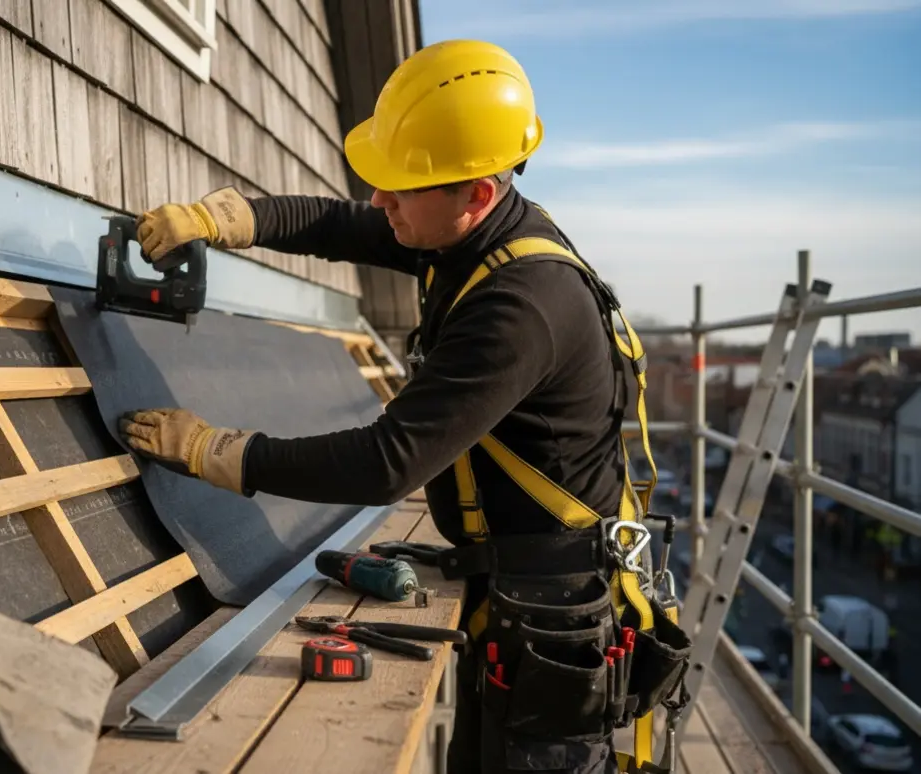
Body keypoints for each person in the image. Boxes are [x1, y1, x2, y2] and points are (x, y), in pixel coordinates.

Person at [118, 40, 691, 774]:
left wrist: (216, 453)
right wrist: (222, 218)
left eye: (398, 188)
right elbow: (336, 224)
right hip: (515, 582)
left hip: (552, 612)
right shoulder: (470, 230)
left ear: (476, 193)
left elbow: (386, 463)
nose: (380, 202)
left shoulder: (521, 305)